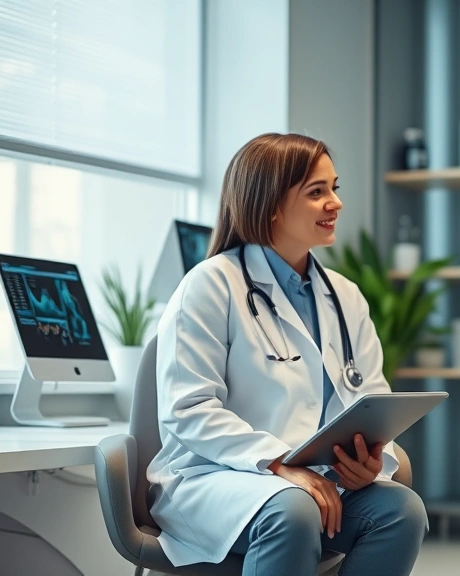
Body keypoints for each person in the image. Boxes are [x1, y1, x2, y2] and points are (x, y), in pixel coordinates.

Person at [148, 133, 428, 576]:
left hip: (315, 480)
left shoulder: (345, 297)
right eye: (317, 192)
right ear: (270, 205)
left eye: (335, 188)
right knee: (292, 511)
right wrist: (277, 464)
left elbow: (370, 399)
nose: (334, 203)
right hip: (214, 477)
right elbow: (188, 410)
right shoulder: (210, 285)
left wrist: (369, 460)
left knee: (399, 510)